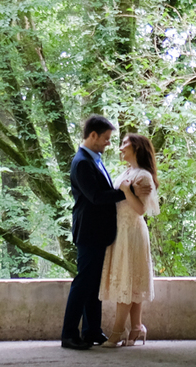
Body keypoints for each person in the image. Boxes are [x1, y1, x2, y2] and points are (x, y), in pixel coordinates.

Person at [60, 115, 128, 350]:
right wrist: (126, 193)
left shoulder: (94, 159)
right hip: (89, 231)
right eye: (106, 139)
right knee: (83, 283)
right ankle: (69, 334)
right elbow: (96, 197)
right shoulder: (82, 163)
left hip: (98, 232)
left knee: (92, 284)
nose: (108, 143)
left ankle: (91, 331)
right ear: (93, 136)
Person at [98, 133, 159, 348]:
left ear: (137, 147)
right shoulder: (127, 172)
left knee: (127, 280)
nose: (121, 147)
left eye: (125, 143)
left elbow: (141, 209)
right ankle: (136, 327)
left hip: (132, 231)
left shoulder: (143, 176)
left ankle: (117, 332)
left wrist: (126, 190)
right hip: (121, 231)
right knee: (130, 280)